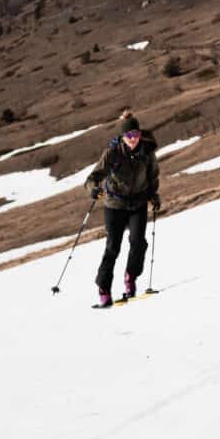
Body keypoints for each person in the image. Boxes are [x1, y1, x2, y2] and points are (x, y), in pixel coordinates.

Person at [86, 111, 160, 305]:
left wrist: (154, 195)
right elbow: (93, 177)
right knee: (113, 247)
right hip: (115, 205)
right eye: (129, 135)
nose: (133, 139)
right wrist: (93, 189)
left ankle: (130, 276)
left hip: (138, 203)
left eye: (136, 134)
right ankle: (104, 288)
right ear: (122, 136)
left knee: (138, 242)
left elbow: (153, 176)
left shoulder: (147, 151)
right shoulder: (113, 152)